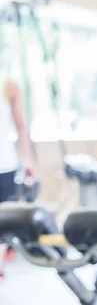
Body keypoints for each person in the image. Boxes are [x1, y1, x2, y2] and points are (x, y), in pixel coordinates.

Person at [0, 76, 37, 279]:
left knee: (3, 220)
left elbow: (21, 126)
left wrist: (28, 160)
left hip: (4, 165)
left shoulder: (8, 86)